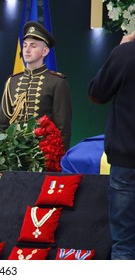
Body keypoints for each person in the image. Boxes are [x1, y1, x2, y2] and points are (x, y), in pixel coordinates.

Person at [88, 30, 135, 260]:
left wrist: (121, 48)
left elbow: (96, 93)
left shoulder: (125, 54)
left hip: (126, 162)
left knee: (124, 245)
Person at [0, 21, 71, 151]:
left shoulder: (57, 82)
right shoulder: (12, 81)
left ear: (45, 51)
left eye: (33, 45)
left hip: (44, 154)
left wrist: (57, 158)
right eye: (25, 45)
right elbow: (3, 125)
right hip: (13, 154)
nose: (27, 49)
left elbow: (63, 128)